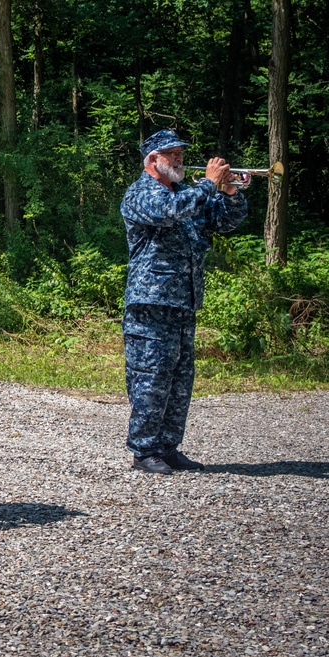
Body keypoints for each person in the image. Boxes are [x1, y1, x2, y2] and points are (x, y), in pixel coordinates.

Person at [121, 129, 248, 474]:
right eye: (172, 154)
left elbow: (224, 221)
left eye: (180, 153)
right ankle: (144, 451)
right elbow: (170, 211)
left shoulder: (187, 194)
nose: (179, 158)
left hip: (183, 304)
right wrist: (208, 184)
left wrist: (230, 190)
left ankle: (168, 447)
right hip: (150, 304)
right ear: (153, 160)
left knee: (179, 381)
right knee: (151, 377)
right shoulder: (142, 193)